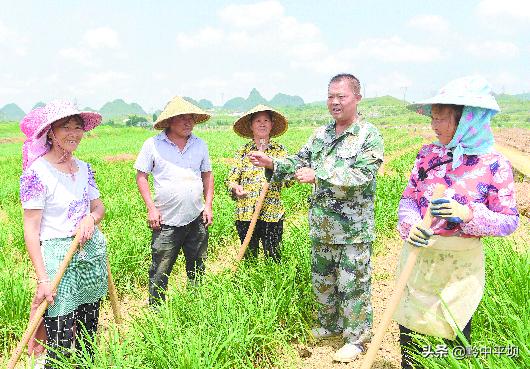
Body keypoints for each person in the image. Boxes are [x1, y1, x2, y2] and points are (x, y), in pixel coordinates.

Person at [250, 74, 384, 362]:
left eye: (341, 96)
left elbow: (362, 176)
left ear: (357, 98)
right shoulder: (321, 135)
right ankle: (329, 324)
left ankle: (356, 338)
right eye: (330, 96)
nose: (335, 102)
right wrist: (273, 163)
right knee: (323, 280)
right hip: (322, 226)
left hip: (352, 229)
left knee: (353, 282)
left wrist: (319, 176)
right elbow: (299, 160)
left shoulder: (367, 135)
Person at [395, 75, 519, 369]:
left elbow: (508, 221)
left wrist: (469, 215)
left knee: (454, 343)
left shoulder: (494, 164)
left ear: (467, 120)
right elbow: (408, 199)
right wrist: (411, 223)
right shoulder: (427, 155)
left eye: (442, 119)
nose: (434, 125)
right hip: (419, 259)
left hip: (459, 270)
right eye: (433, 118)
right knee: (411, 342)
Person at [20, 100, 108, 368]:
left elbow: (98, 206)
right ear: (51, 132)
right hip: (58, 258)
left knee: (88, 331)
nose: (73, 133)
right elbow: (32, 231)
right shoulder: (36, 173)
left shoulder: (84, 168)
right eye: (65, 127)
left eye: (78, 127)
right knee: (59, 336)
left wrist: (90, 219)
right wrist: (43, 279)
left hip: (89, 254)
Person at [134, 96, 214, 306]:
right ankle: (156, 311)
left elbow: (207, 175)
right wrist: (151, 208)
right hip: (166, 221)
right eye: (182, 118)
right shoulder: (152, 145)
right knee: (161, 267)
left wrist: (208, 205)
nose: (188, 122)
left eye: (191, 118)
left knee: (197, 265)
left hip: (196, 217)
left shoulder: (200, 144)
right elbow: (141, 176)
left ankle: (196, 304)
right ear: (169, 121)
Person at [227, 105, 293, 261]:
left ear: (271, 125)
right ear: (251, 126)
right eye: (257, 121)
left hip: (272, 213)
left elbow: (289, 180)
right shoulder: (243, 152)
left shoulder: (279, 151)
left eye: (266, 120)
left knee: (274, 258)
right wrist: (236, 189)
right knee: (249, 259)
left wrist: (273, 166)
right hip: (245, 213)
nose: (262, 124)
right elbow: (230, 180)